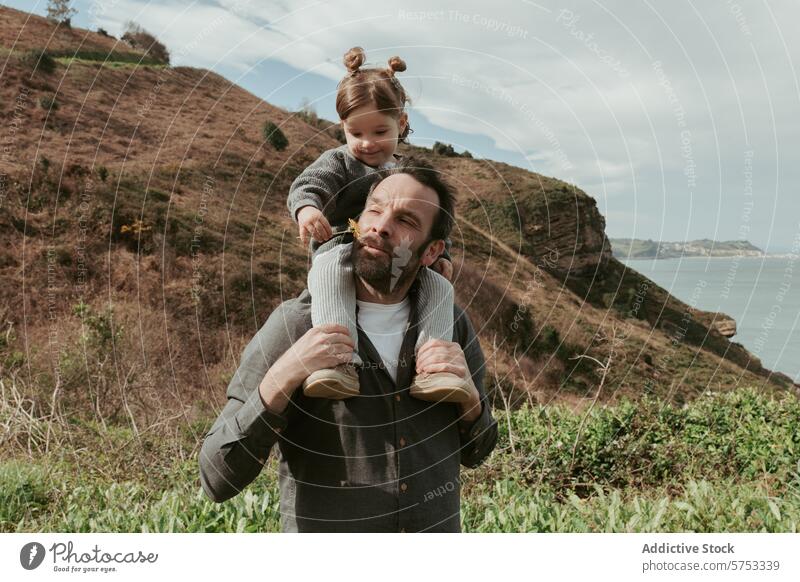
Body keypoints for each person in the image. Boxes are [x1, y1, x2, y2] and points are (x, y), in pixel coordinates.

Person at [199, 158, 498, 532]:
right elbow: (216, 477)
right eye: (374, 209)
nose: (381, 226)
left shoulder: (452, 326)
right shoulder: (295, 325)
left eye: (405, 221)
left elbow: (478, 451)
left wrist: (470, 403)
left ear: (432, 252)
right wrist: (284, 376)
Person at [287, 46, 471, 402]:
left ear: (401, 124)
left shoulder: (406, 170)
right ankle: (338, 362)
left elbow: (428, 219)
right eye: (356, 133)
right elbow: (308, 185)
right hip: (342, 246)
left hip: (399, 255)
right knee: (328, 272)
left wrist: (442, 253)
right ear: (342, 128)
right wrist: (308, 210)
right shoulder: (338, 162)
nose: (367, 143)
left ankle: (434, 367)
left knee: (439, 288)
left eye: (379, 131)